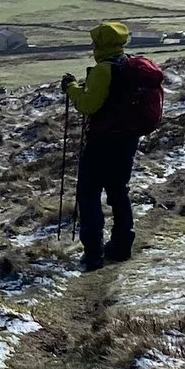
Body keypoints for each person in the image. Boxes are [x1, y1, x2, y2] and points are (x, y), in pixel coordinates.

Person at [62, 21, 158, 271]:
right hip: (127, 140)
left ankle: (93, 254)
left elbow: (87, 105)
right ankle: (122, 245)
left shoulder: (104, 70)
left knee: (89, 194)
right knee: (118, 191)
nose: (93, 46)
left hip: (103, 141)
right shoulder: (129, 66)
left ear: (102, 45)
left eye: (95, 42)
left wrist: (71, 88)